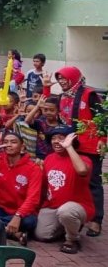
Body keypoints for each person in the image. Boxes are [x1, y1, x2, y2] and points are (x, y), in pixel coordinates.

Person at [45, 66, 106, 237]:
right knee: (73, 179)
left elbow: (102, 120)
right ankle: (75, 214)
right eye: (60, 79)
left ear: (74, 77)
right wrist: (46, 87)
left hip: (89, 145)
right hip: (70, 144)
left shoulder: (89, 94)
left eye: (65, 78)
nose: (62, 81)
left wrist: (103, 139)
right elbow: (48, 105)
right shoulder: (62, 96)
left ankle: (96, 220)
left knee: (93, 181)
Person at [35, 126, 94, 254]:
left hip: (78, 206)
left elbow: (82, 170)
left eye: (61, 138)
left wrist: (69, 147)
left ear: (72, 141)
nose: (56, 141)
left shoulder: (83, 159)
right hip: (53, 206)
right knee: (42, 235)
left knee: (66, 211)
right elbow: (44, 186)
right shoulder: (49, 158)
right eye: (54, 138)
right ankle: (69, 226)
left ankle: (72, 239)